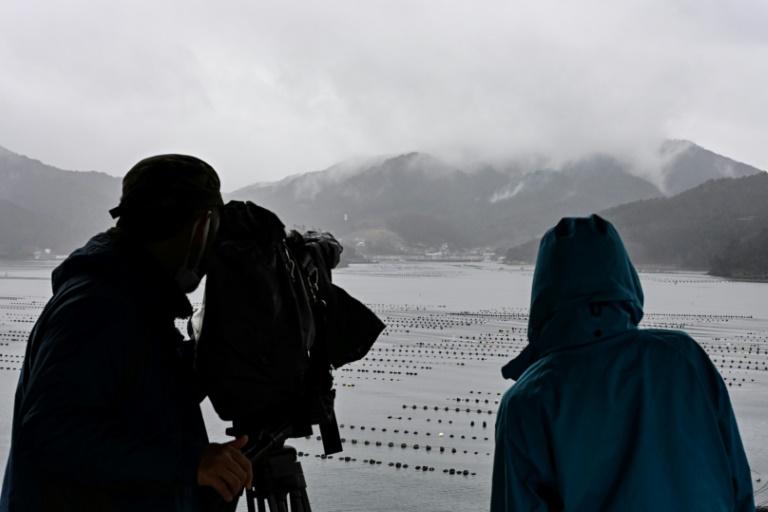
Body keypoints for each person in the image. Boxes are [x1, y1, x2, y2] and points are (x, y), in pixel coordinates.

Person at [0, 155, 252, 511]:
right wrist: (190, 464)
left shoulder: (132, 299)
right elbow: (51, 434)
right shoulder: (97, 305)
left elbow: (137, 385)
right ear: (201, 227)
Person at [491, 215, 755, 511]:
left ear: (543, 289)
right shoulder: (684, 356)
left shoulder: (528, 400)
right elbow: (737, 479)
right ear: (625, 278)